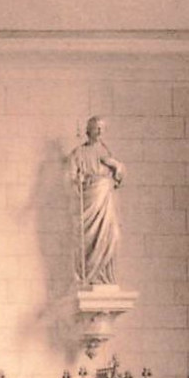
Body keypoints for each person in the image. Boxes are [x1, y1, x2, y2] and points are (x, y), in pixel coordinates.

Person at [69, 116, 125, 286]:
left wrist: (117, 167)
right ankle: (89, 276)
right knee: (89, 237)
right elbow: (71, 176)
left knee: (112, 235)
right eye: (96, 128)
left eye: (102, 128)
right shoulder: (78, 153)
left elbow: (119, 174)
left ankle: (104, 277)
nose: (100, 131)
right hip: (89, 198)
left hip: (104, 196)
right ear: (89, 130)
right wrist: (77, 179)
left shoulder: (107, 152)